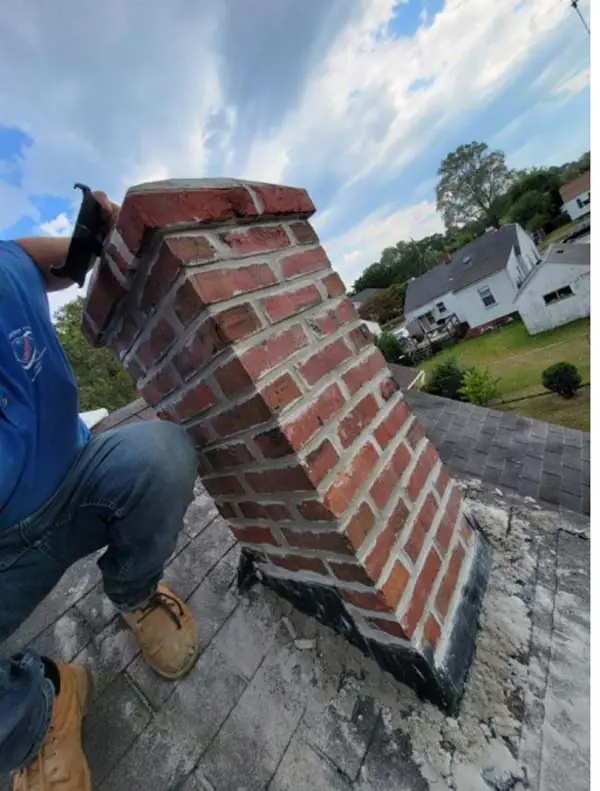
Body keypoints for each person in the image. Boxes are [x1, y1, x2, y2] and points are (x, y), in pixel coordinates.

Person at [0, 192, 199, 790]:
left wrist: (92, 244)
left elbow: (30, 260)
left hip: (80, 479)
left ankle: (136, 592)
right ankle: (40, 709)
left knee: (161, 455)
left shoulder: (3, 272)